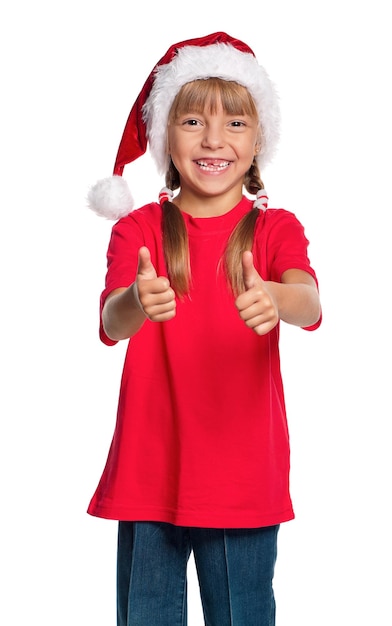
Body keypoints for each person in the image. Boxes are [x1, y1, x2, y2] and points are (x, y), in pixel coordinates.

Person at [87, 32, 322, 626]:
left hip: (243, 480)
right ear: (166, 134)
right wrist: (138, 301)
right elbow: (112, 319)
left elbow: (310, 303)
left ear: (258, 138)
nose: (214, 139)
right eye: (192, 120)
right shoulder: (138, 230)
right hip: (149, 474)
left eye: (235, 123)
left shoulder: (274, 230)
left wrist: (274, 296)